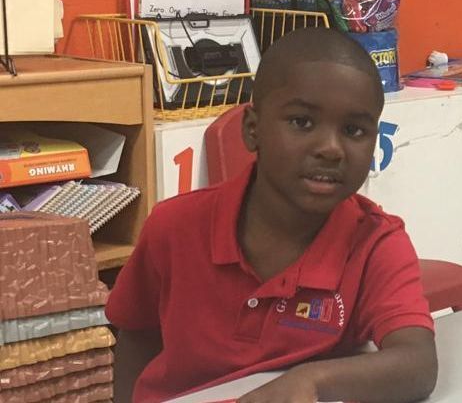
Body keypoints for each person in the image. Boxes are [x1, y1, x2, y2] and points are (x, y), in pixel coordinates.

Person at [107, 28, 437, 403]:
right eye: (302, 122)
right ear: (253, 130)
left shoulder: (375, 242)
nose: (331, 149)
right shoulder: (174, 226)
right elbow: (135, 335)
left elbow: (417, 363)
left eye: (353, 130)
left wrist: (310, 381)